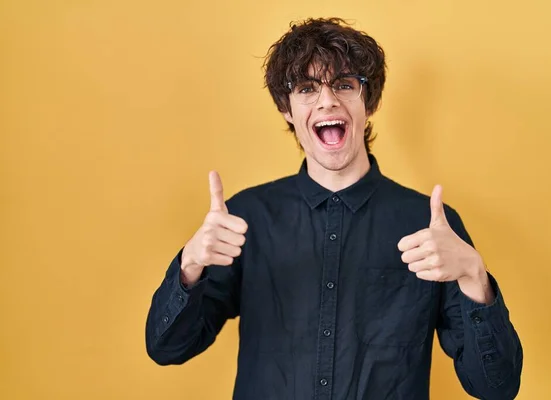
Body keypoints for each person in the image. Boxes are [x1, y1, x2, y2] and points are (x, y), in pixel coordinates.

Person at [145, 17, 523, 400]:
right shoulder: (245, 220)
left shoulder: (429, 226)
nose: (327, 100)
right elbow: (167, 348)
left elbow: (497, 387)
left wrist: (475, 275)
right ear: (287, 109)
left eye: (344, 84)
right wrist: (190, 266)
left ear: (368, 102)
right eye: (307, 88)